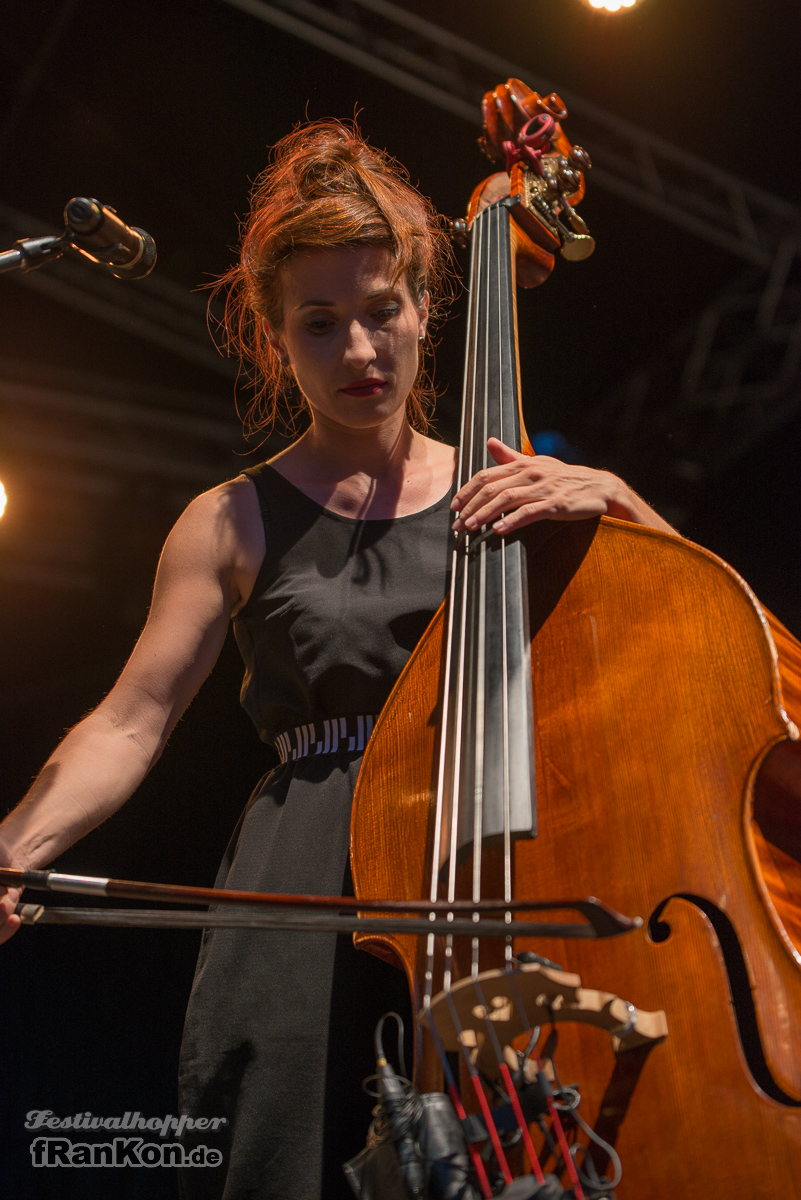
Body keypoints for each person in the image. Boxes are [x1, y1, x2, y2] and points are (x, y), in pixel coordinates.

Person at [0, 120, 676, 1199]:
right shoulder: (229, 521)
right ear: (275, 340)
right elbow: (131, 721)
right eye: (321, 324)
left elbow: (703, 648)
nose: (360, 350)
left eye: (381, 312)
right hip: (303, 890)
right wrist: (15, 845)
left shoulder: (520, 489)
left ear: (425, 309)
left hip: (507, 867)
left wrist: (617, 500)